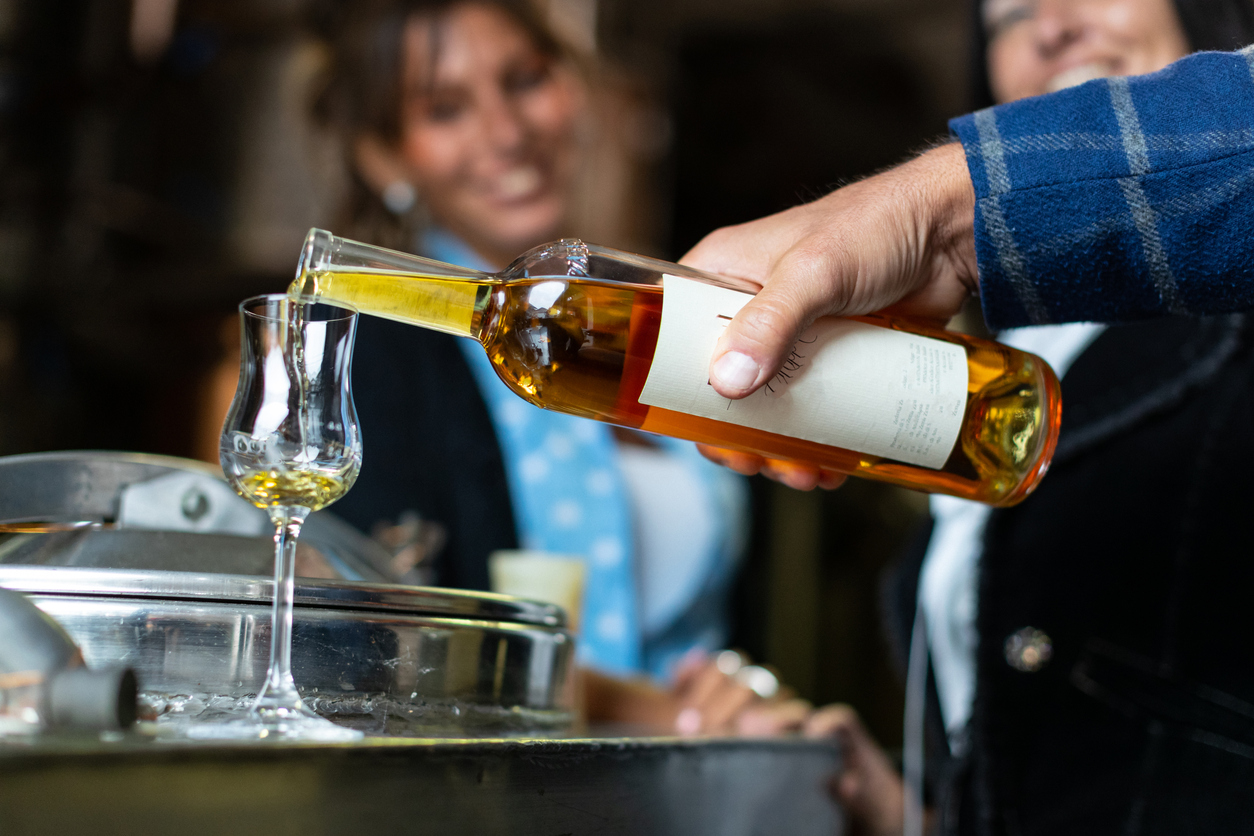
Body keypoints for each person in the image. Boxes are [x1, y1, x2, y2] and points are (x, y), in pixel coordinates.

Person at [688, 0, 1254, 832]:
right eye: (1007, 20)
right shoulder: (977, 362)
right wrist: (906, 812)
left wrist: (946, 212)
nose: (1049, 26)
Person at [305, 0, 803, 734]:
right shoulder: (371, 345)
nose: (507, 134)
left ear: (577, 90)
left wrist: (740, 696)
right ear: (386, 157)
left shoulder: (665, 312)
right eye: (445, 109)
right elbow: (375, 644)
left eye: (526, 80)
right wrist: (663, 716)